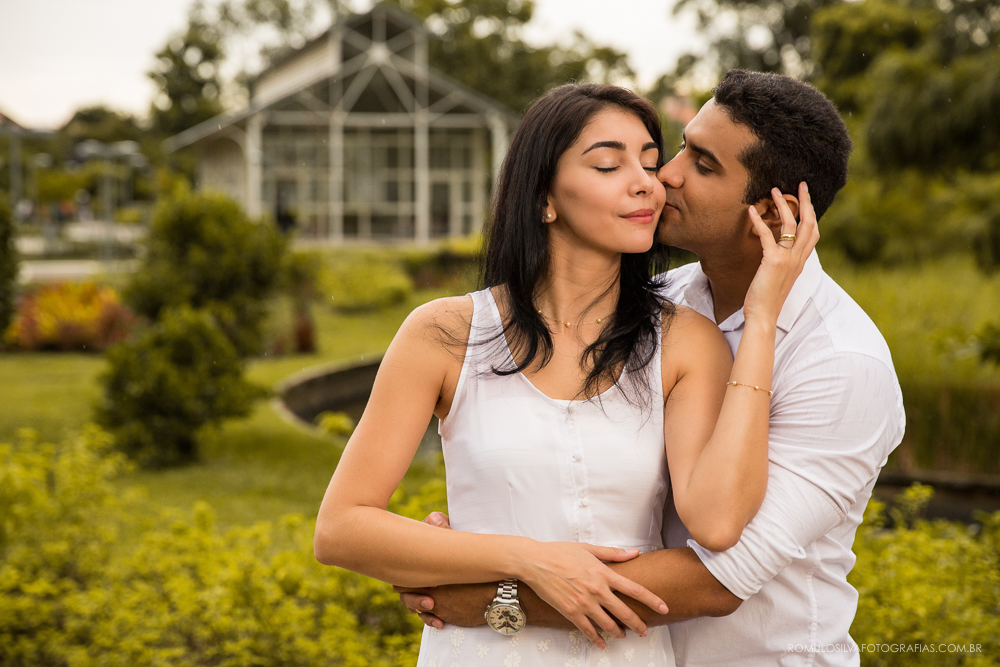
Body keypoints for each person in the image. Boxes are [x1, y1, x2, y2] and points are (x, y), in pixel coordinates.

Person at [395, 70, 905, 667]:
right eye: (682, 146)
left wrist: (490, 598)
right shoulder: (660, 306)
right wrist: (481, 532)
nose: (666, 175)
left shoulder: (842, 365)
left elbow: (716, 580)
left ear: (775, 212)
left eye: (704, 164)